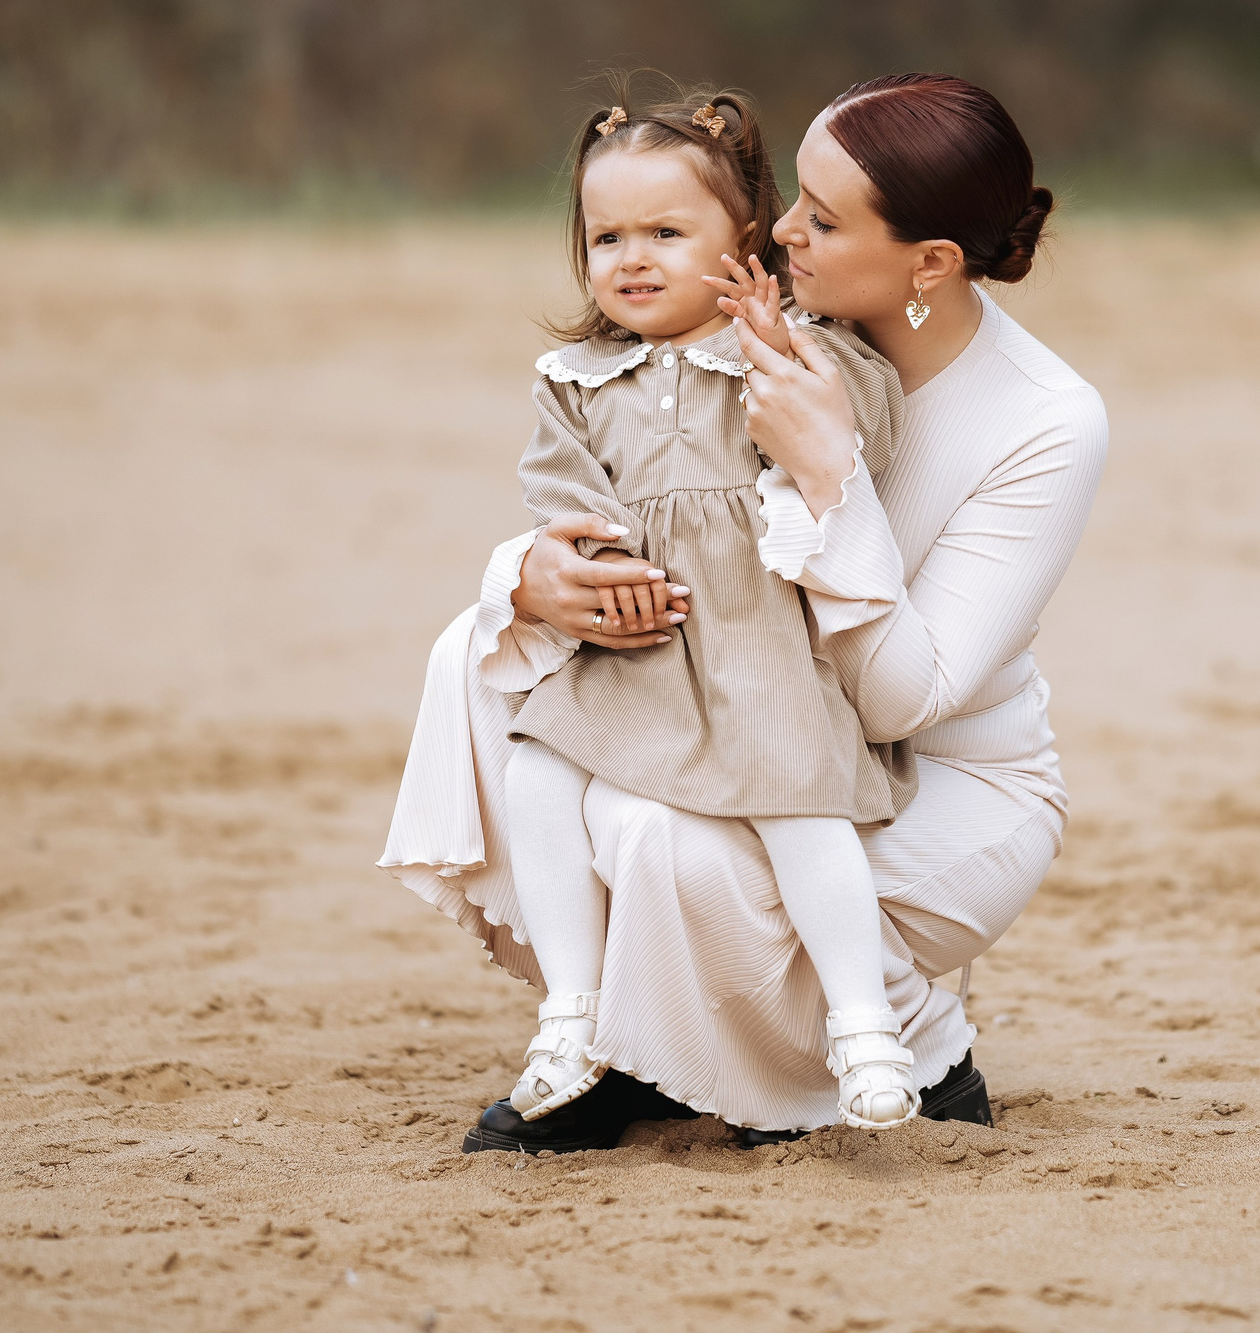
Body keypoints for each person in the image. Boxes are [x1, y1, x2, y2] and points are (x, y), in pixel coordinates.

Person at [379, 71, 1109, 1147]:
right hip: (732, 696)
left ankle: (916, 1049)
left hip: (940, 775)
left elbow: (903, 698)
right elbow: (633, 477)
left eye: (820, 216)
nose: (779, 230)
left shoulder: (1044, 420)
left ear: (931, 262)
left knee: (658, 832)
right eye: (789, 198)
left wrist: (832, 480)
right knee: (487, 663)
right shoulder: (754, 312)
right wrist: (529, 576)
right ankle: (631, 1042)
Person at [499, 85, 922, 1131]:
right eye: (606, 237)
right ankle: (573, 1012)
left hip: (754, 641)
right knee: (538, 767)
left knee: (797, 804)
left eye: (665, 232)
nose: (631, 258)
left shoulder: (783, 351)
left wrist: (784, 345)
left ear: (742, 243)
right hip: (642, 640)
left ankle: (865, 1029)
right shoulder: (578, 377)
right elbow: (558, 489)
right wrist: (589, 560)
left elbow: (863, 432)